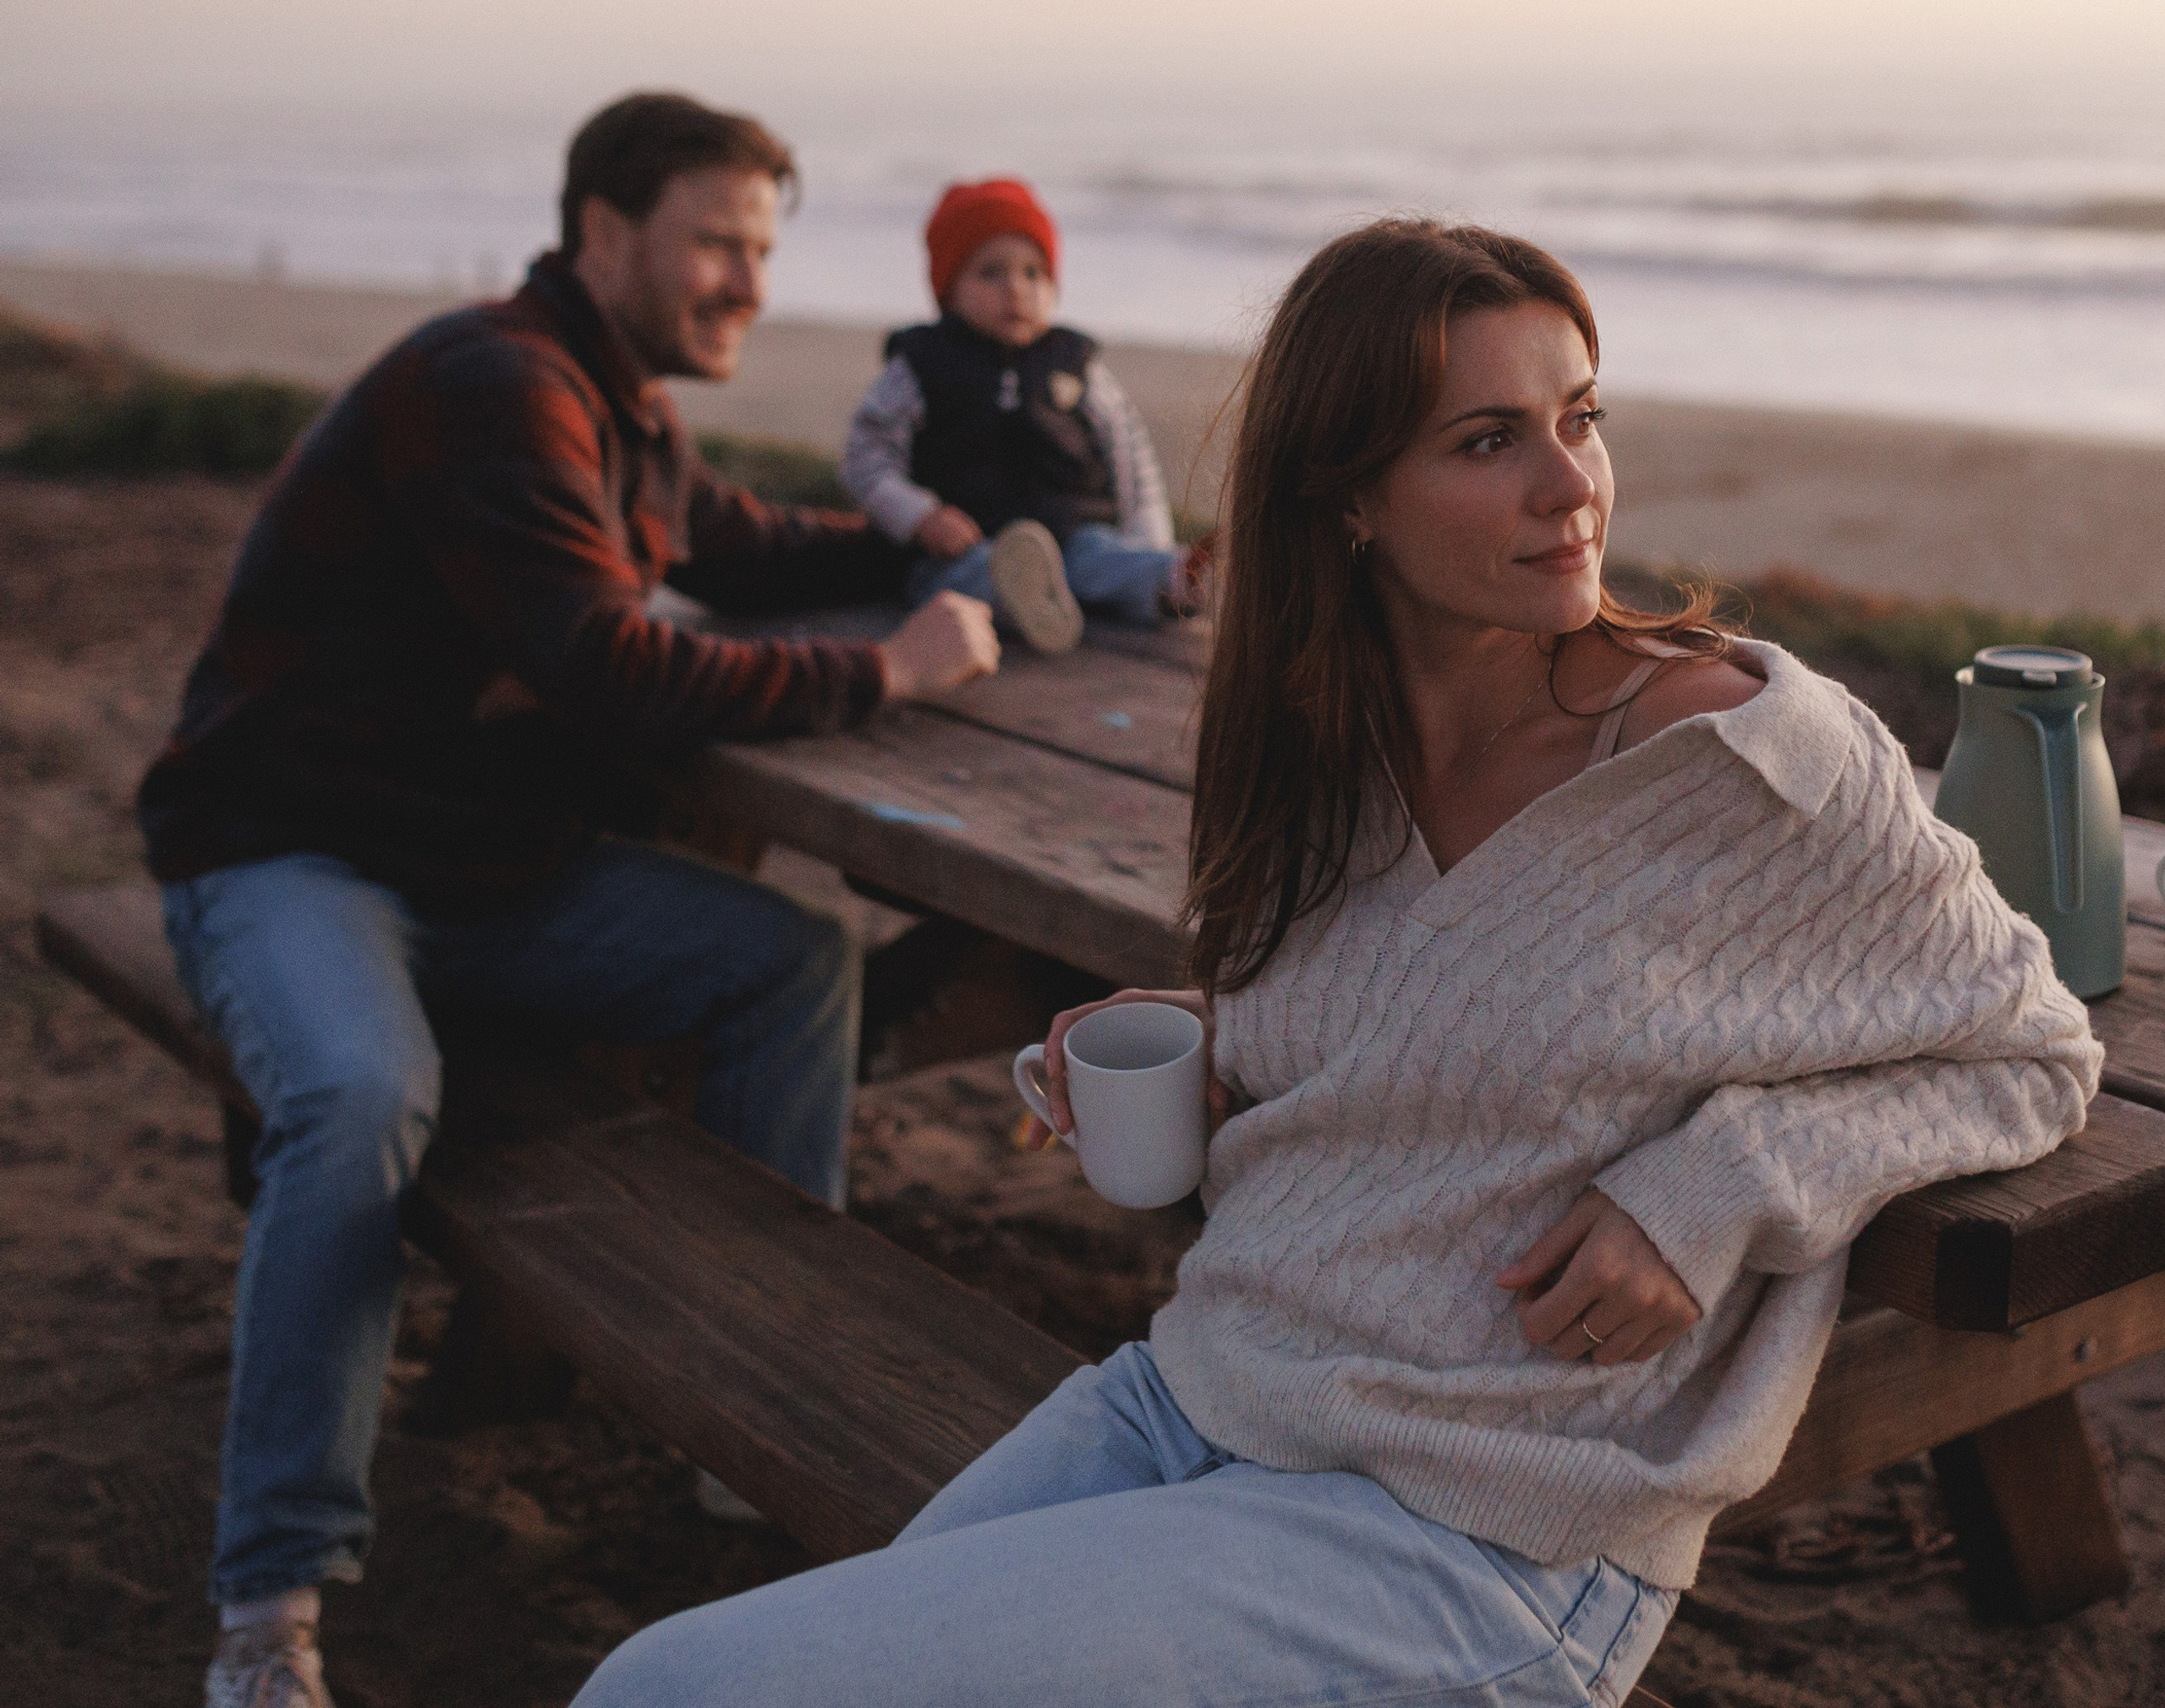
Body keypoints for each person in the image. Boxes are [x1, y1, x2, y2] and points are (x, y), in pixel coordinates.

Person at [574, 219, 2101, 1708]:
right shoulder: (1317, 737)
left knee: (667, 1687)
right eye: (1490, 440)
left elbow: (2032, 1050)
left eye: (1580, 417)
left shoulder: (1751, 765)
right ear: (1350, 497)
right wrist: (1218, 1025)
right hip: (1202, 1391)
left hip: (1470, 1532)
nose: (1573, 486)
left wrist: (1720, 1184)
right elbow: (1432, 1009)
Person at [140, 92, 1000, 1708]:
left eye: (764, 247)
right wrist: (892, 666)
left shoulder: (626, 413)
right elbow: (607, 667)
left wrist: (941, 558)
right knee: (356, 1092)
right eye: (716, 244)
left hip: (477, 871)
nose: (746, 280)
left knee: (788, 963)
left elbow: (735, 546)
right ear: (602, 233)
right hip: (290, 855)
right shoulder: (499, 385)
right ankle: (270, 1610)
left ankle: (753, 1421)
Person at [840, 176, 1208, 654]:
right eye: (990, 273)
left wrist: (1149, 541)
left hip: (1073, 536)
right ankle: (1024, 601)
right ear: (949, 289)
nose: (1015, 288)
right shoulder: (923, 363)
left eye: (1033, 273)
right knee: (966, 580)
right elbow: (866, 458)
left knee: (1106, 559)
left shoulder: (1075, 361)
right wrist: (918, 516)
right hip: (964, 547)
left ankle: (1182, 581)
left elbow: (1129, 455)